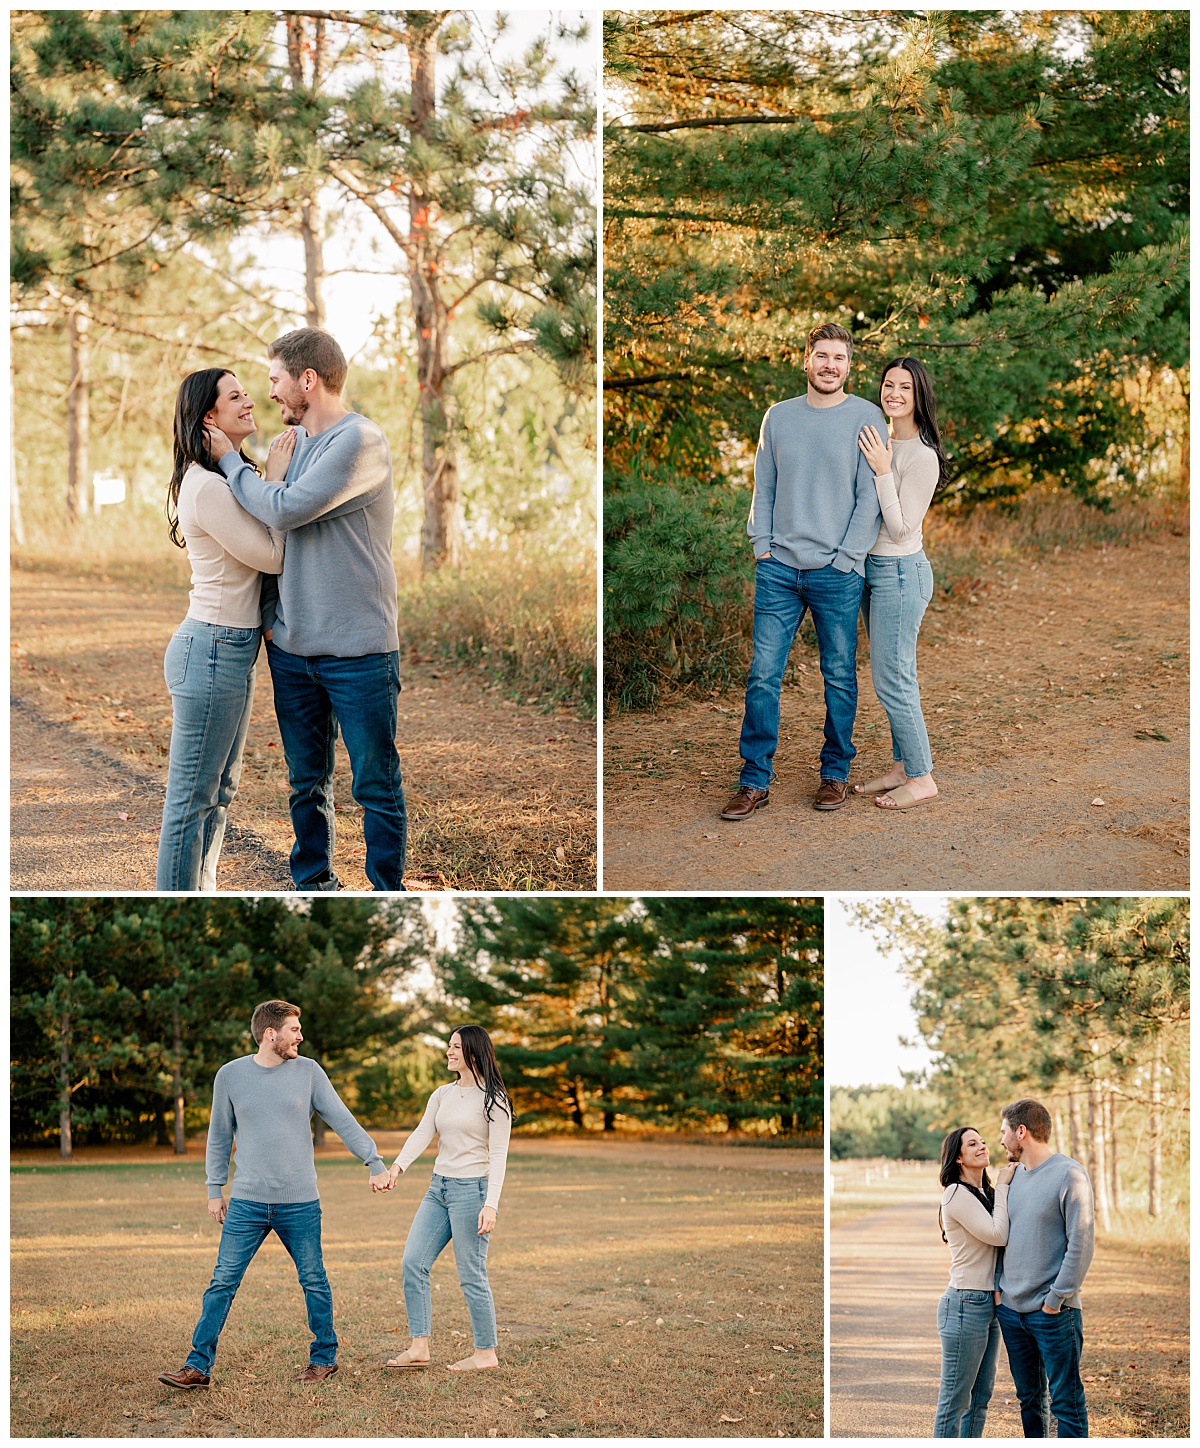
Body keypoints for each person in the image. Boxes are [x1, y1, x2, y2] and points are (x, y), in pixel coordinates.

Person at [206, 328, 407, 892]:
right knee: (306, 782)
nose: (269, 394)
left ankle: (387, 892)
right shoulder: (289, 447)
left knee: (375, 783)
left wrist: (231, 463)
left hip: (359, 651)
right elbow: (275, 544)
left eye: (274, 380)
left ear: (307, 380)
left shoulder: (360, 441)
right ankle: (314, 884)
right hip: (293, 651)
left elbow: (288, 509)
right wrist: (273, 622)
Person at [158, 1000, 391, 1389]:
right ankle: (197, 1367)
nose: (301, 1036)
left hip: (299, 1202)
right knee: (222, 1282)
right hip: (247, 1201)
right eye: (294, 1029)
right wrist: (215, 1188)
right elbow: (218, 1136)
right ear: (271, 1034)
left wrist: (374, 1160)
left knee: (314, 1280)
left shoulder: (309, 1072)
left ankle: (324, 1359)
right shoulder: (230, 1076)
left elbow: (342, 1118)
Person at [720, 322, 885, 820]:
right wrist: (762, 546)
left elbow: (869, 496)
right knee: (763, 677)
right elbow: (763, 488)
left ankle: (835, 775)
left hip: (837, 572)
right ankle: (754, 781)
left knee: (838, 676)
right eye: (822, 355)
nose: (830, 365)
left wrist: (847, 558)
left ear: (849, 365)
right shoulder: (779, 417)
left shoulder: (866, 416)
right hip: (778, 570)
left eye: (839, 357)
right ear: (806, 360)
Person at [156, 370, 285, 890]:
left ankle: (202, 893)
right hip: (210, 649)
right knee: (190, 802)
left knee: (219, 795)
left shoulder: (223, 478)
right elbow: (273, 555)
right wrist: (274, 474)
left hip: (229, 650)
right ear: (209, 417)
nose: (250, 400)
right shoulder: (207, 485)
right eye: (235, 396)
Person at [382, 1026, 512, 1372]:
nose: (448, 1052)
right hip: (438, 1188)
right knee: (413, 1261)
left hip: (473, 1191)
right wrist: (397, 1168)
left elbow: (498, 1155)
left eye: (455, 1047)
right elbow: (423, 1132)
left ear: (472, 1052)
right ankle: (419, 1346)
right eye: (449, 1046)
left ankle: (485, 1353)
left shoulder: (494, 1099)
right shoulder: (442, 1094)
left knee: (471, 1273)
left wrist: (491, 1204)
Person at [853, 356, 948, 810]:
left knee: (893, 678)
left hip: (901, 574)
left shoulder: (923, 456)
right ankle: (900, 767)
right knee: (893, 673)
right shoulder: (883, 441)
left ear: (919, 396)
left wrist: (884, 470)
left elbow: (901, 529)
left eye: (904, 388)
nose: (893, 393)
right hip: (872, 572)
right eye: (888, 384)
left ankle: (922, 776)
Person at [996, 1098, 1095, 1438]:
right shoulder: (1013, 1178)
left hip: (1053, 1313)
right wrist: (999, 1289)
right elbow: (1002, 1238)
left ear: (1021, 1132)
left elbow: (1080, 1243)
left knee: (1066, 1402)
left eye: (1004, 1131)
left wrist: (1056, 1299)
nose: (1001, 1139)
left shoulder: (1068, 1173)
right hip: (1011, 1311)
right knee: (1029, 1400)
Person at [933, 1126, 1017, 1437]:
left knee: (980, 1399)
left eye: (982, 1141)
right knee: (955, 1402)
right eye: (972, 1143)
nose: (982, 1146)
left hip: (989, 1304)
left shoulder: (987, 1193)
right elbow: (998, 1234)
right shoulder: (955, 1193)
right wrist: (1007, 1185)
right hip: (965, 1304)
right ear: (958, 1157)